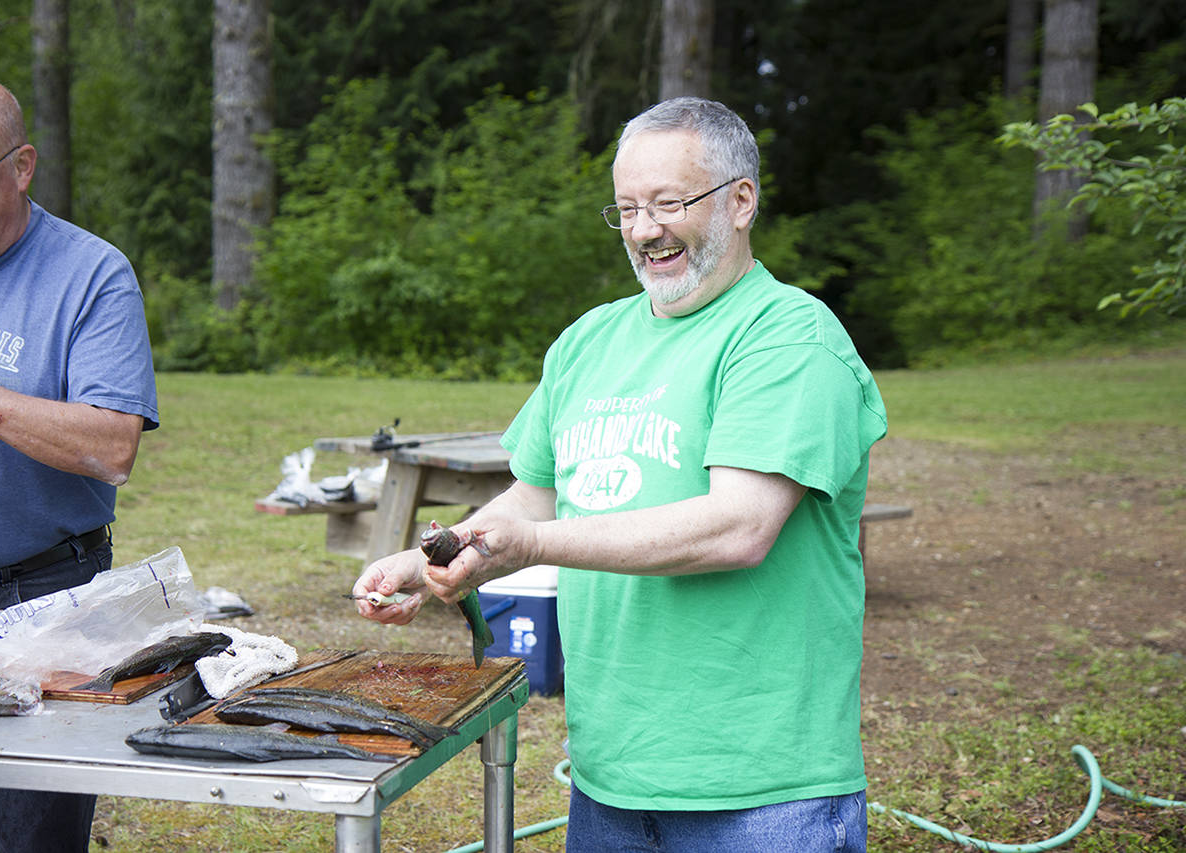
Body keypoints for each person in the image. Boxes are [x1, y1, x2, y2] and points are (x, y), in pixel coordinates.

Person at [353, 96, 887, 852]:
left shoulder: (788, 335)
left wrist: (532, 545)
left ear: (742, 201)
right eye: (627, 209)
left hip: (763, 791)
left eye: (669, 204)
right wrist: (433, 557)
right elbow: (535, 493)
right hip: (611, 775)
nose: (643, 230)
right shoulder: (588, 341)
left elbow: (739, 526)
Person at [0, 73, 158, 853]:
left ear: (21, 167)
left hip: (42, 601)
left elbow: (112, 448)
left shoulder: (91, 274)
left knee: (32, 839)